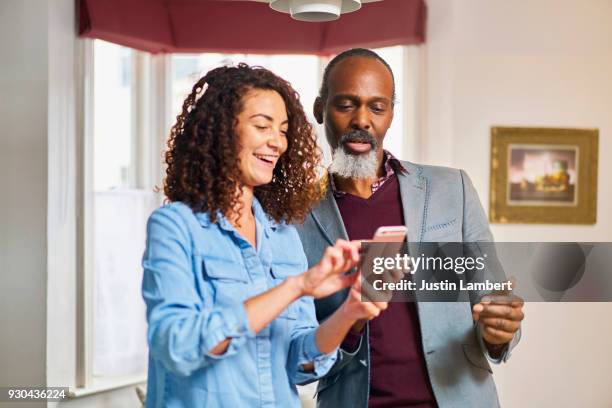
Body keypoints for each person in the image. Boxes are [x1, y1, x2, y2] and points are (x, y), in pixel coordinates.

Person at [141, 64, 385, 408]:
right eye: (262, 126)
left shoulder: (283, 234)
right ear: (222, 132)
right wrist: (295, 287)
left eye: (283, 130)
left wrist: (348, 313)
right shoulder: (175, 226)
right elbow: (178, 347)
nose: (277, 142)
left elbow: (299, 364)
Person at [296, 49, 524, 408]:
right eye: (345, 105)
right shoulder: (295, 217)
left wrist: (499, 332)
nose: (362, 120)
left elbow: (492, 299)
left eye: (377, 107)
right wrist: (351, 321)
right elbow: (301, 357)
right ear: (319, 110)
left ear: (390, 114)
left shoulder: (453, 189)